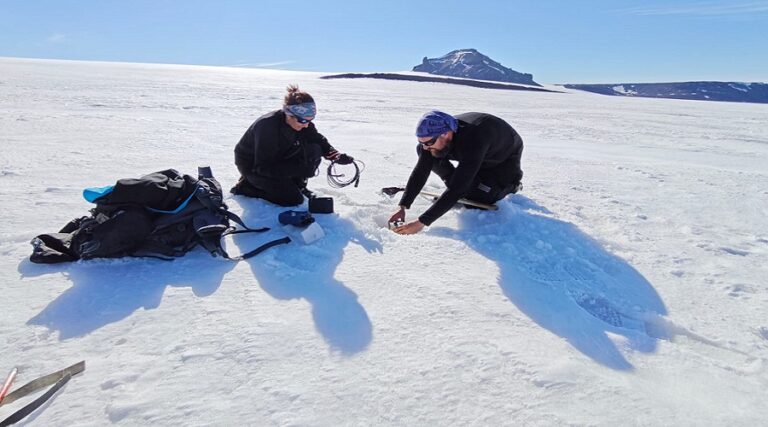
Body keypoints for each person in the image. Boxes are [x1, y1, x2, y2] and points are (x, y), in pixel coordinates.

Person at [389, 110, 524, 235]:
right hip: (474, 156)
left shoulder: (474, 140)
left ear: (445, 133)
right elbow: (421, 171)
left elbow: (457, 188)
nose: (425, 146)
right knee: (429, 155)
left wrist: (422, 222)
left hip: (502, 159)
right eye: (421, 142)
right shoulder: (432, 141)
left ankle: (513, 185)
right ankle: (459, 187)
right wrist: (403, 206)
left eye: (429, 142)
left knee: (479, 196)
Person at [231, 85, 353, 206]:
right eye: (303, 121)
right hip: (254, 166)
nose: (306, 125)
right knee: (292, 199)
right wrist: (299, 169)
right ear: (289, 114)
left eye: (310, 120)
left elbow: (317, 139)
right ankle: (246, 187)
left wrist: (335, 155)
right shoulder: (267, 127)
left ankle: (298, 186)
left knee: (314, 149)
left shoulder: (302, 123)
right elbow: (263, 167)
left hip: (279, 156)